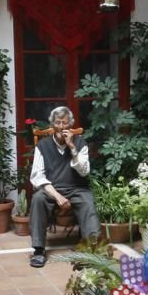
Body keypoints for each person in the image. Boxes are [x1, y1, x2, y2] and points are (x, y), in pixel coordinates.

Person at [28, 106, 100, 268]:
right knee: (38, 199)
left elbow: (84, 172)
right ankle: (39, 250)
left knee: (88, 203)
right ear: (53, 125)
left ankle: (92, 252)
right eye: (58, 123)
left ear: (70, 125)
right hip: (52, 189)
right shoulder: (43, 146)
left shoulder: (80, 144)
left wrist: (72, 148)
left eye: (65, 123)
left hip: (77, 188)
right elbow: (37, 177)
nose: (62, 126)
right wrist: (58, 197)